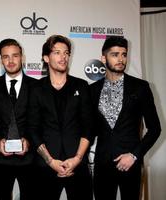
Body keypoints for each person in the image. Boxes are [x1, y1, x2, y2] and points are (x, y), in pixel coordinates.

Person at [90, 36, 161, 200]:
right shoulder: (92, 90)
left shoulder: (141, 87)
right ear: (103, 58)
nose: (121, 59)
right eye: (115, 54)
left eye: (124, 54)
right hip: (103, 164)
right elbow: (89, 129)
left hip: (131, 164)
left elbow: (155, 128)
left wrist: (134, 155)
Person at [27, 35, 93, 200]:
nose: (63, 57)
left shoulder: (81, 86)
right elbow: (32, 129)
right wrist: (51, 161)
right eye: (57, 52)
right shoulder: (36, 89)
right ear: (46, 58)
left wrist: (77, 159)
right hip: (46, 166)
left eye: (66, 53)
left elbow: (88, 127)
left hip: (77, 165)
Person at [0, 38, 36, 200]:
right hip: (1, 159)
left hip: (30, 159)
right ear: (1, 60)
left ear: (22, 57)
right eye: (6, 57)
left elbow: (40, 121)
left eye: (15, 55)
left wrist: (29, 141)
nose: (11, 60)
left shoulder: (37, 86)